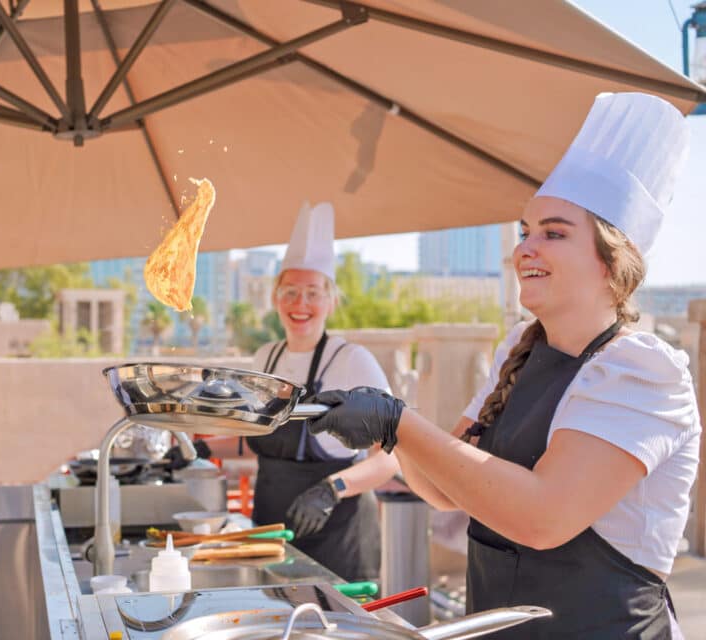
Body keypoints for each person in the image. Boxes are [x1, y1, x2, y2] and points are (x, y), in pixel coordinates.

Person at [307, 92, 700, 638]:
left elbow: (543, 519)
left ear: (615, 259)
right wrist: (388, 430)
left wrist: (399, 421)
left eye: (553, 233)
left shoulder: (640, 372)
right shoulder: (520, 350)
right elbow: (445, 489)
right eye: (525, 231)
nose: (524, 249)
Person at [209, 202, 399, 582]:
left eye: (313, 293)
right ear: (275, 298)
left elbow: (391, 459)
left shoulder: (352, 361)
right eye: (291, 292)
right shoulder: (266, 356)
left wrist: (332, 489)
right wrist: (199, 448)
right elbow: (258, 440)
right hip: (272, 529)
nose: (301, 304)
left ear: (331, 301)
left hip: (339, 536)